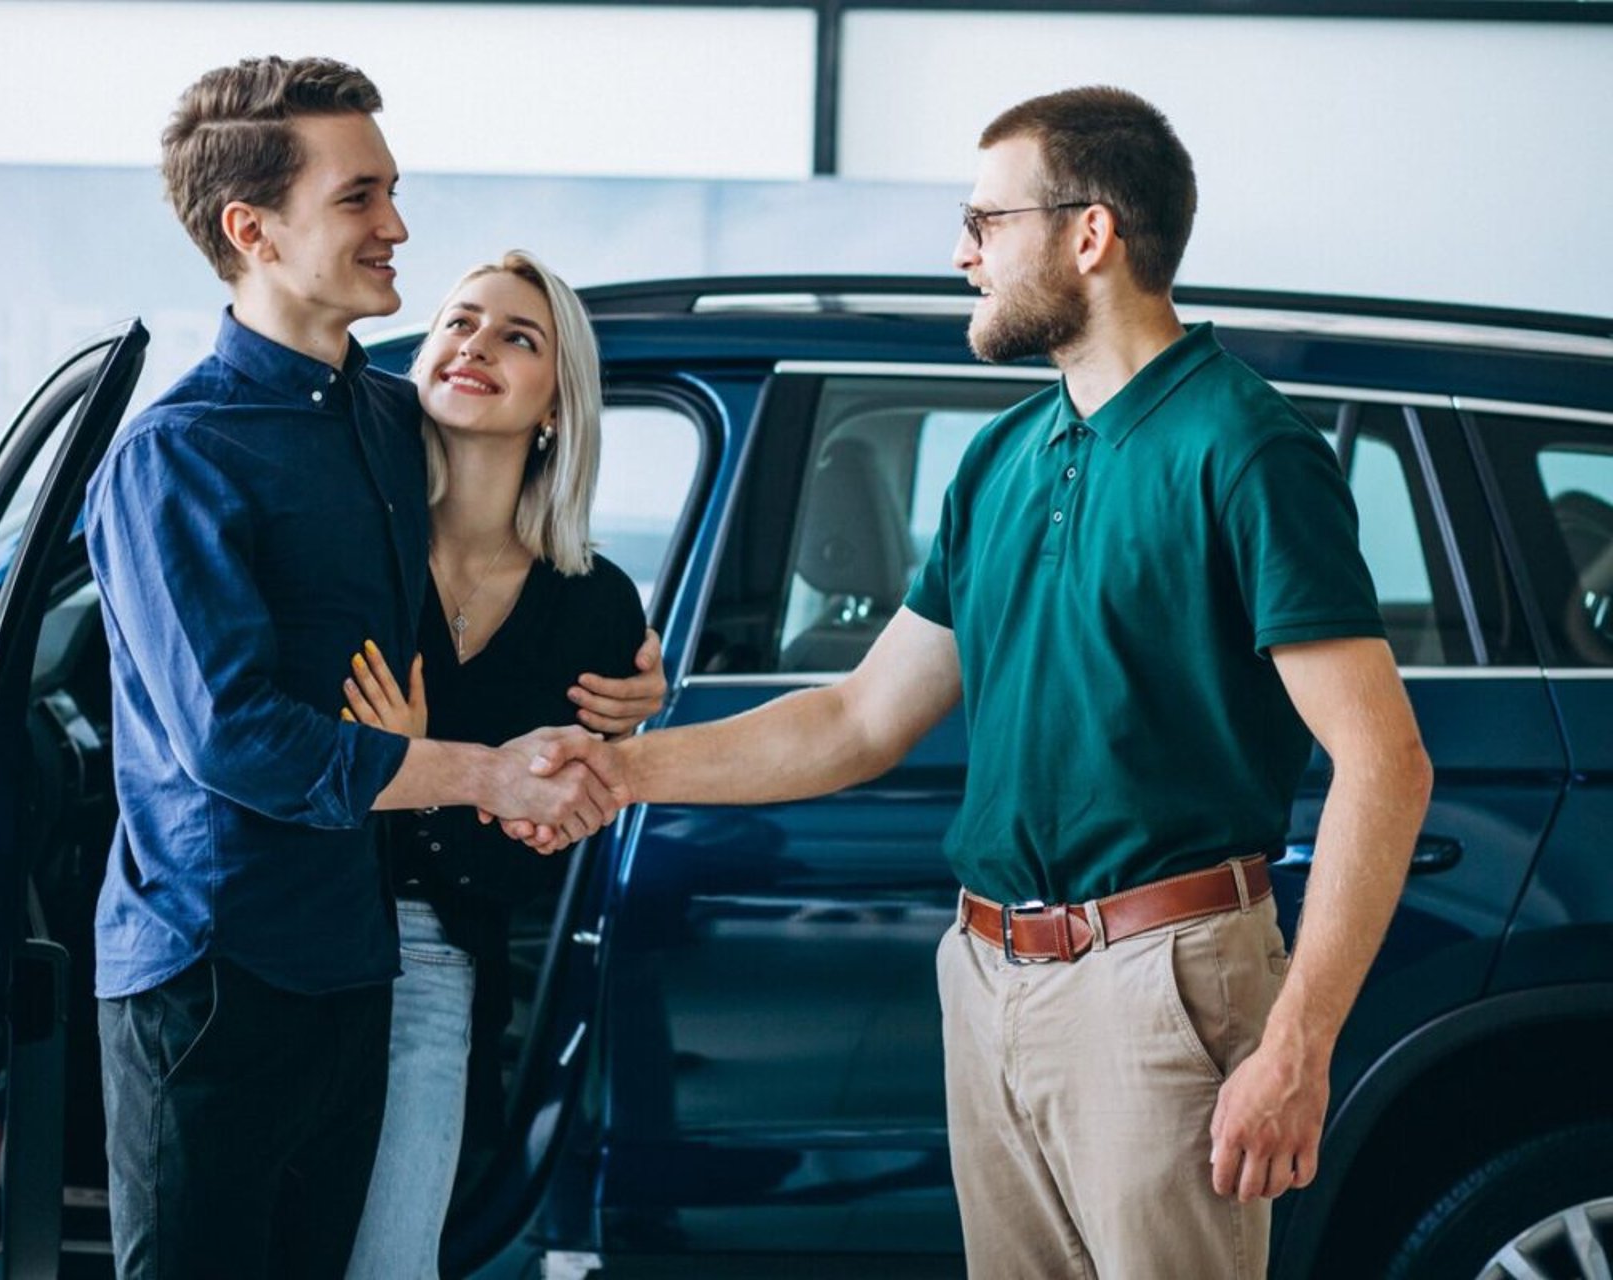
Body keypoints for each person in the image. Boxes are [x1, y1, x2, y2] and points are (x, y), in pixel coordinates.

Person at [528, 86, 1433, 1278]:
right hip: (990, 974)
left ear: (1091, 234)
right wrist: (618, 767)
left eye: (984, 222)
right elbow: (858, 717)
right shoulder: (1003, 459)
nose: (963, 254)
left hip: (1161, 979)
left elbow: (1384, 759)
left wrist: (1298, 1047)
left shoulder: (1247, 447)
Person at [85, 58, 627, 1280]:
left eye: (391, 191)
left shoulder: (387, 421)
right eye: (359, 197)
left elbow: (500, 571)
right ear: (254, 230)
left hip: (354, 965)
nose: (397, 227)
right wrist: (478, 771)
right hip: (212, 973)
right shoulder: (179, 456)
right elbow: (237, 739)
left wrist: (616, 685)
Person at [339, 251, 656, 1278]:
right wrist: (465, 775)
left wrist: (418, 767)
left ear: (557, 403)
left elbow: (524, 857)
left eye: (518, 337)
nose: (475, 345)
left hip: (433, 960)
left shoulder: (594, 605)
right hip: (290, 941)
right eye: (459, 322)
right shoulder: (345, 552)